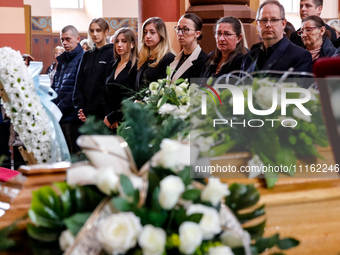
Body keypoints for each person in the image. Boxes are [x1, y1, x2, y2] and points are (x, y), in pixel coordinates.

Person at [241, 0, 312, 74]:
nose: (268, 24)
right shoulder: (248, 58)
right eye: (264, 20)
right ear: (257, 24)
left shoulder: (300, 56)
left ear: (283, 23)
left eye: (274, 20)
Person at [73, 18, 114, 123]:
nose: (95, 34)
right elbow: (78, 84)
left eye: (98, 30)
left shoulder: (112, 54)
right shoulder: (87, 55)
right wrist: (80, 109)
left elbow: (106, 87)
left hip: (102, 113)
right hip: (83, 114)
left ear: (106, 32)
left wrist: (89, 111)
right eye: (92, 31)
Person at [52, 25, 83, 154]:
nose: (64, 42)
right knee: (62, 157)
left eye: (68, 39)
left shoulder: (82, 58)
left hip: (72, 117)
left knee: (74, 156)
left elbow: (76, 89)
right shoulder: (62, 59)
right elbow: (55, 86)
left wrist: (58, 109)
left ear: (78, 39)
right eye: (62, 39)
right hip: (59, 115)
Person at [103, 28, 138, 130]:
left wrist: (114, 117)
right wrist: (107, 116)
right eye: (117, 41)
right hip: (108, 119)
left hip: (125, 119)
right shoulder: (112, 65)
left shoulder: (136, 67)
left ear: (132, 44)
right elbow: (105, 93)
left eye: (124, 41)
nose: (119, 45)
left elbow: (131, 97)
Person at [135, 17, 175, 90]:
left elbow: (166, 88)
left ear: (161, 34)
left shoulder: (168, 58)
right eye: (145, 32)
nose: (147, 36)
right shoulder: (145, 58)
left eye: (152, 32)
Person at [169, 13, 207, 83]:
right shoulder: (174, 58)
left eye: (185, 29)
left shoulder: (203, 61)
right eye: (178, 29)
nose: (180, 33)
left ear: (197, 34)